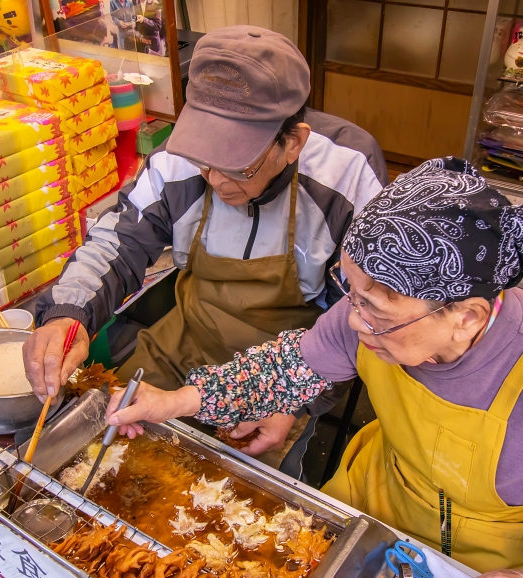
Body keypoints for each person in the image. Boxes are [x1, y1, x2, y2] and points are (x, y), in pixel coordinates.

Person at [100, 158, 523, 578]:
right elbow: (291, 365)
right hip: (380, 501)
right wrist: (173, 403)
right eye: (351, 291)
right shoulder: (366, 316)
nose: (355, 320)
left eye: (379, 310)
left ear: (467, 317)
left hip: (488, 559)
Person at [24, 26, 388, 464]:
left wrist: (295, 401)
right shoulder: (178, 162)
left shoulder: (346, 179)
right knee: (107, 454)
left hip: (292, 366)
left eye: (236, 164)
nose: (215, 180)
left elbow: (357, 315)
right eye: (205, 160)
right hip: (185, 343)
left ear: (291, 143)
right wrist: (68, 314)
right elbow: (117, 239)